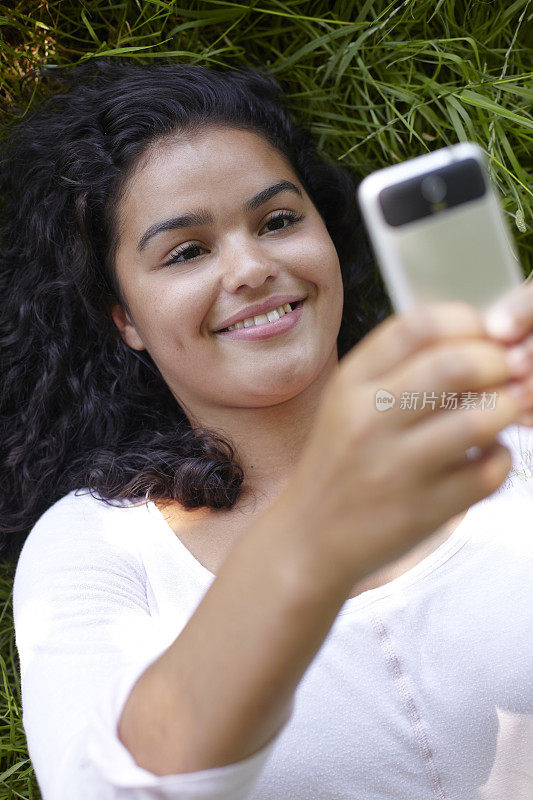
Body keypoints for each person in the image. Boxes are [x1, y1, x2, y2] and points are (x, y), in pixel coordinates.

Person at [2, 58, 532, 800]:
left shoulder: (508, 423)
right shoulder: (96, 547)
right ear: (124, 317)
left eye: (278, 221)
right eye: (187, 251)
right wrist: (318, 531)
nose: (251, 267)